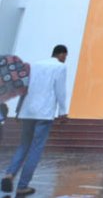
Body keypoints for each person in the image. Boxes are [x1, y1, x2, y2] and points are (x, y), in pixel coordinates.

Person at [2, 45, 68, 196]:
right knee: (36, 149)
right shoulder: (60, 68)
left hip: (28, 111)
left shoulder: (34, 65)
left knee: (24, 145)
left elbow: (24, 88)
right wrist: (63, 112)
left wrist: (19, 110)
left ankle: (9, 174)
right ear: (62, 54)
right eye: (65, 57)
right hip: (44, 113)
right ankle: (22, 186)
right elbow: (60, 90)